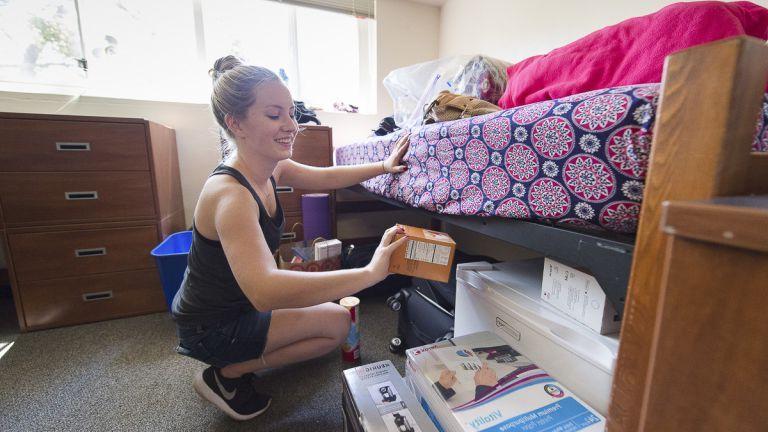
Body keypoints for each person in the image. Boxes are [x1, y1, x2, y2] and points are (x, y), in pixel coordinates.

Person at [171, 55, 411, 421]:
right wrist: (370, 273)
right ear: (236, 123)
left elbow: (325, 176)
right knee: (335, 325)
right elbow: (265, 291)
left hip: (241, 304)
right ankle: (224, 373)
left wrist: (382, 166)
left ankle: (238, 361)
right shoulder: (231, 194)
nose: (291, 125)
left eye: (291, 112)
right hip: (213, 326)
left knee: (336, 324)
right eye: (274, 115)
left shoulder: (270, 166)